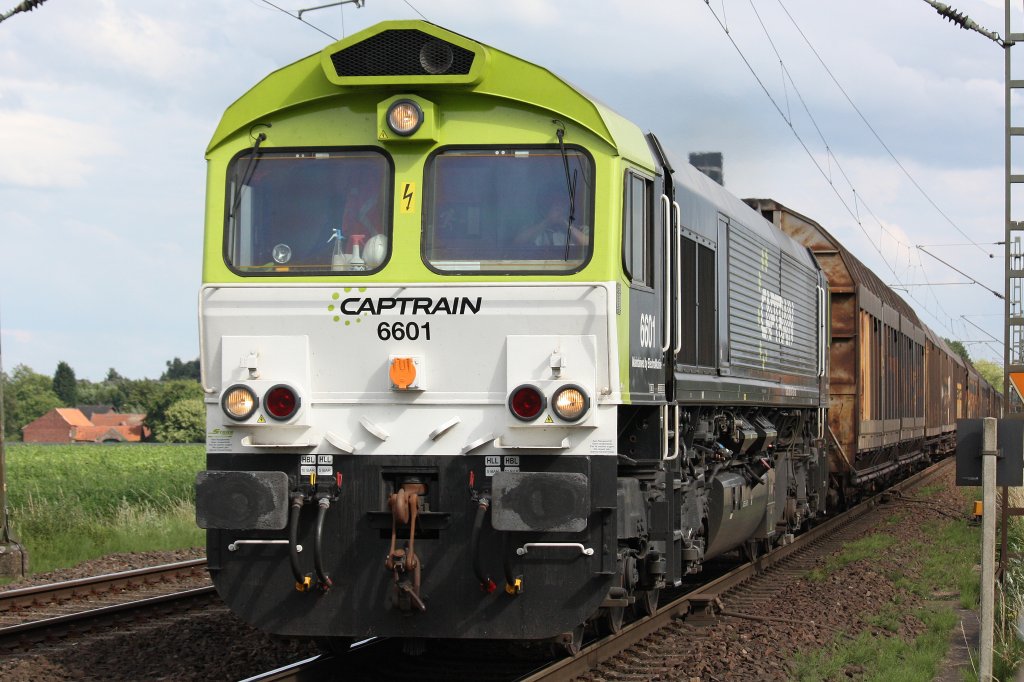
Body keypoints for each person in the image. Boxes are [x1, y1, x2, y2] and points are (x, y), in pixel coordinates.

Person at [514, 190, 589, 248]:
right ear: (545, 208)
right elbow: (517, 242)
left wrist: (565, 223)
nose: (559, 208)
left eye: (562, 204)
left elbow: (589, 245)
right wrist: (548, 221)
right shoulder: (531, 228)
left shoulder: (581, 229)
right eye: (554, 204)